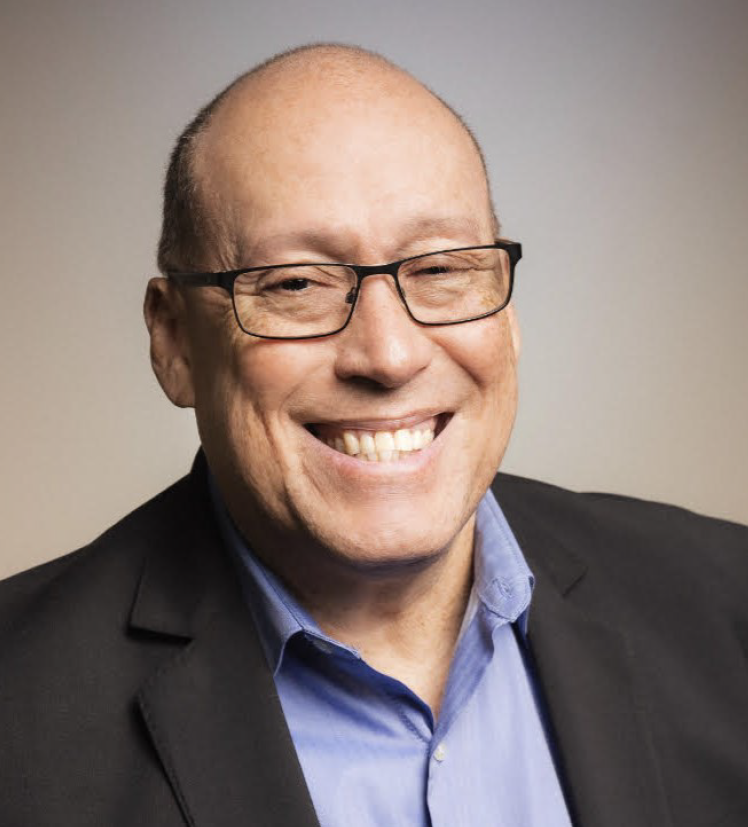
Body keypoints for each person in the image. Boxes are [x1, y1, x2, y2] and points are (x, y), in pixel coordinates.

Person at [1, 43, 747, 827]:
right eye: (296, 283)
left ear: (508, 312)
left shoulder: (726, 609)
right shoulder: (20, 713)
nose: (389, 355)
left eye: (441, 269)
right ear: (175, 342)